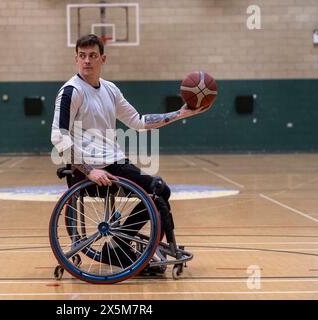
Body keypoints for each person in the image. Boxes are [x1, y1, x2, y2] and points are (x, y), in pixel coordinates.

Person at [51, 34, 207, 273]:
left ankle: (119, 245)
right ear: (76, 59)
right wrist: (90, 171)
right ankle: (122, 248)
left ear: (103, 59)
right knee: (156, 191)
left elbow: (138, 121)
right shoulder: (71, 91)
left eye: (92, 56)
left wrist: (179, 114)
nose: (87, 61)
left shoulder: (110, 90)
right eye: (82, 56)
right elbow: (58, 135)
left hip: (114, 164)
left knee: (160, 189)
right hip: (86, 171)